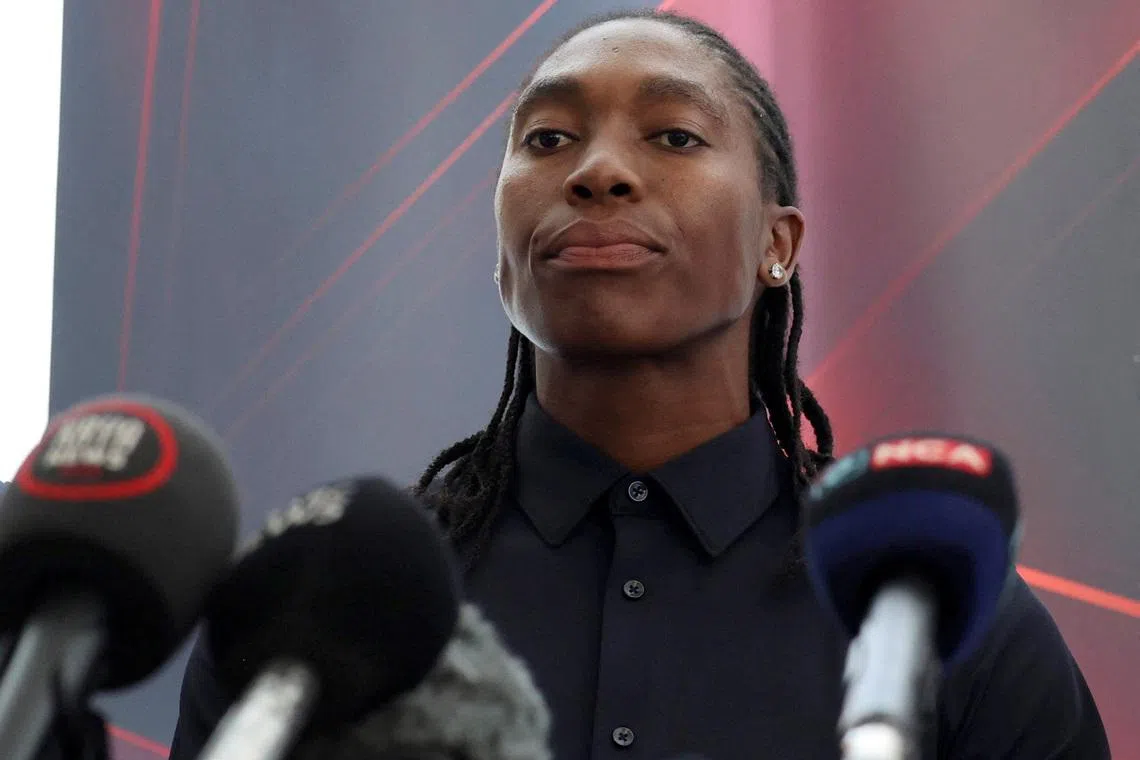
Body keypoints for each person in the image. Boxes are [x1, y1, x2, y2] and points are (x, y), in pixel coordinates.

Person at [168, 10, 1109, 759]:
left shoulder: (926, 613)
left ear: (777, 246)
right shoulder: (327, 608)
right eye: (547, 139)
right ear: (500, 258)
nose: (599, 172)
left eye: (672, 135)